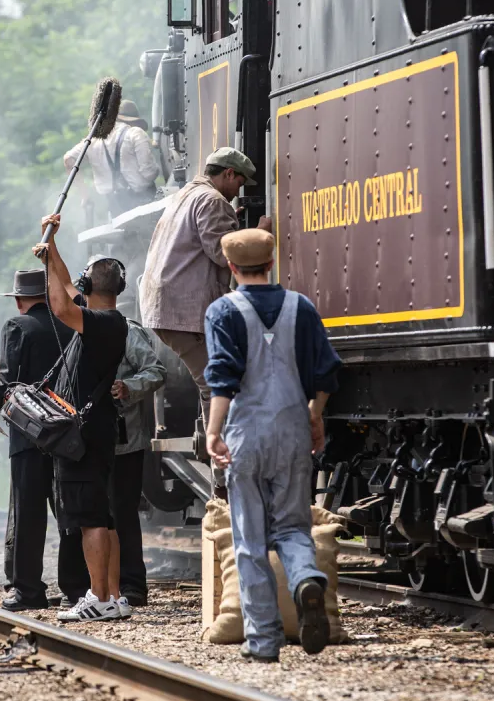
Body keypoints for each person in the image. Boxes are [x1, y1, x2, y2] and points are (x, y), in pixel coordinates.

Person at [204, 228, 342, 663]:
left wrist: (213, 430)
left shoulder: (222, 311)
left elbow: (223, 377)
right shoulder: (301, 308)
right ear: (271, 262)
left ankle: (263, 641)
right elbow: (325, 372)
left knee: (249, 539)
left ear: (231, 267)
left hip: (246, 435)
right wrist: (315, 413)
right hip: (293, 431)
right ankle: (305, 579)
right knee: (293, 529)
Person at [32, 215, 129, 622]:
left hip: (85, 434)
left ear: (92, 289)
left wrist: (52, 256)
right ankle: (115, 595)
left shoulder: (102, 323)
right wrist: (52, 248)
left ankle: (100, 598)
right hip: (100, 428)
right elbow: (69, 289)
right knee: (104, 517)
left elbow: (59, 303)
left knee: (89, 517)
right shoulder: (108, 319)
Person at [0, 268, 89, 611]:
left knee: (28, 514)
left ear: (18, 300)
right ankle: (74, 589)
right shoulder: (74, 324)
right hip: (68, 435)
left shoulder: (17, 327)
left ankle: (28, 590)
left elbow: (8, 379)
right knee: (69, 512)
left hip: (29, 435)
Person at [140, 147, 257, 436]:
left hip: (165, 305)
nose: (237, 192)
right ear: (229, 173)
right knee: (218, 383)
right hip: (184, 309)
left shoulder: (188, 194)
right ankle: (222, 468)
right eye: (239, 184)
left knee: (215, 379)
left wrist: (229, 219)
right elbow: (222, 252)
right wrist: (259, 233)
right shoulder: (212, 200)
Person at [111, 321, 166, 607]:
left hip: (125, 441)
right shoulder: (73, 328)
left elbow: (156, 371)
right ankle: (94, 586)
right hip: (83, 442)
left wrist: (127, 387)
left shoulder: (126, 330)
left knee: (124, 514)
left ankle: (131, 585)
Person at [64, 99, 160, 218]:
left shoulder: (94, 140)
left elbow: (68, 159)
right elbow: (149, 173)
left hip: (115, 208)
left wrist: (85, 196)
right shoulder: (136, 133)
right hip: (144, 202)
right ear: (132, 120)